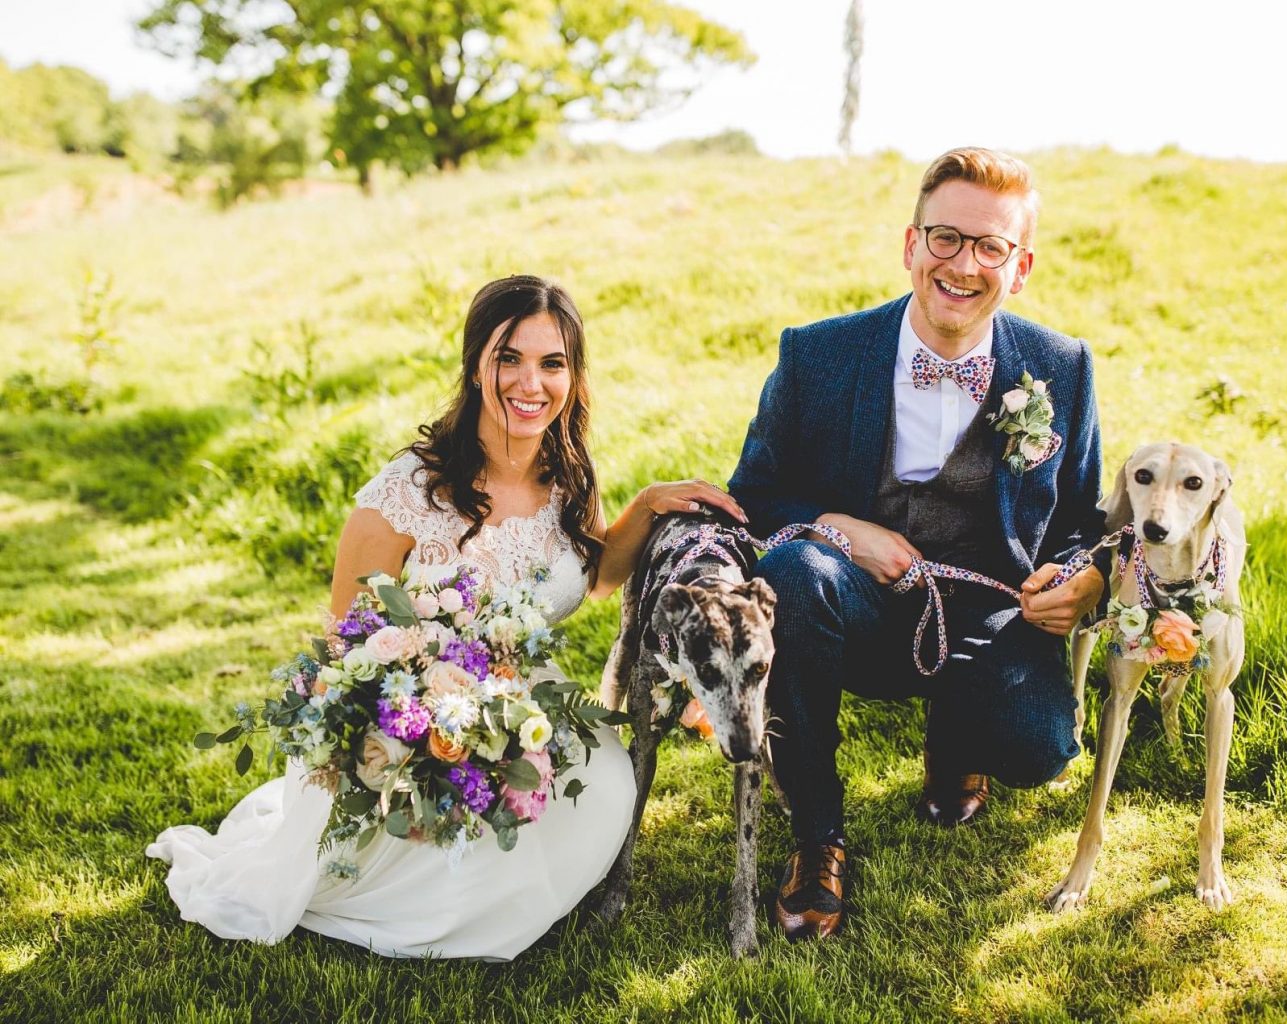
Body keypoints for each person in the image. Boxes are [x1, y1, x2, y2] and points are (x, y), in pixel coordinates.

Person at [147, 275, 743, 960]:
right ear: (474, 363)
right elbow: (349, 644)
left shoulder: (569, 473)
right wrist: (419, 730)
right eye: (509, 358)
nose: (532, 382)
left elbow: (594, 576)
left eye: (553, 363)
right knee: (461, 841)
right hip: (407, 717)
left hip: (525, 698)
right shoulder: (407, 491)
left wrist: (646, 506)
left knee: (605, 787)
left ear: (574, 376)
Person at [728, 147, 1108, 940]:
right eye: (945, 238)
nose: (964, 265)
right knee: (797, 571)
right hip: (854, 607)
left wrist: (1084, 580)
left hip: (992, 619)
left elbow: (1081, 523)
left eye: (990, 247)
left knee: (1040, 751)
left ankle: (958, 740)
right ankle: (818, 838)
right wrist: (840, 530)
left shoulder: (1061, 368)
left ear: (1021, 265)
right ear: (910, 245)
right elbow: (755, 495)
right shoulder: (818, 355)